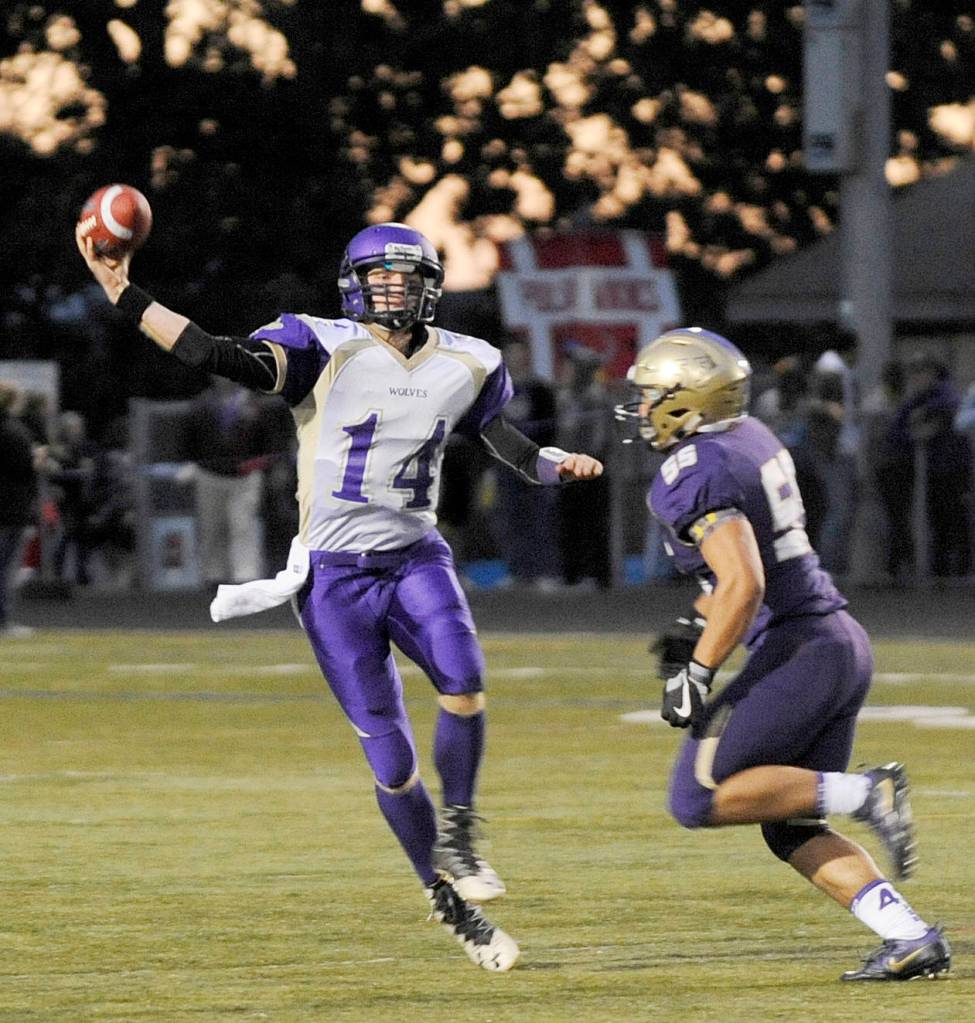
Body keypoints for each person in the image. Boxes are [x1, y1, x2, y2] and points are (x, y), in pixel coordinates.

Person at [77, 220, 603, 972]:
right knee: (390, 762)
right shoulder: (318, 343)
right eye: (379, 276)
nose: (394, 289)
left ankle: (458, 827)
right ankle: (442, 893)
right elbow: (212, 352)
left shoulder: (471, 359)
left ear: (430, 284)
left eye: (406, 276)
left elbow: (507, 444)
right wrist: (124, 291)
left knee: (465, 679)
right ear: (354, 284)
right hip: (334, 575)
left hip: (416, 555)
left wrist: (558, 465)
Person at [615, 327, 950, 982]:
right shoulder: (749, 437)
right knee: (789, 822)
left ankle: (867, 788)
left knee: (698, 796)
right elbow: (739, 573)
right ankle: (909, 936)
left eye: (652, 393)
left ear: (690, 398)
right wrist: (695, 620)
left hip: (800, 648)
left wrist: (697, 669)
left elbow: (743, 581)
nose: (642, 406)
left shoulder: (692, 470)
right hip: (832, 641)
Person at [0, 382, 40, 637]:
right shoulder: (15, 432)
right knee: (4, 567)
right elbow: (25, 469)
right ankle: (4, 620)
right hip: (10, 508)